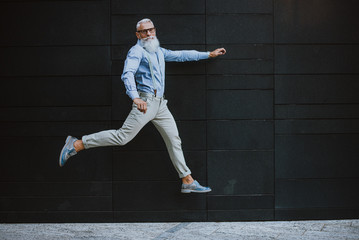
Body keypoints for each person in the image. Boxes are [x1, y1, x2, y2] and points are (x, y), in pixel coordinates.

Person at [59, 18, 226, 193]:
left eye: (151, 30)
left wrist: (209, 54)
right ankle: (77, 144)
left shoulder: (158, 51)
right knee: (122, 137)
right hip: (145, 103)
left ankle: (187, 180)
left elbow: (181, 55)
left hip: (161, 105)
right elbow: (127, 74)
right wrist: (135, 97)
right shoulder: (136, 51)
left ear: (155, 31)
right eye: (144, 31)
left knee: (174, 140)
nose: (148, 34)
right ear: (138, 34)